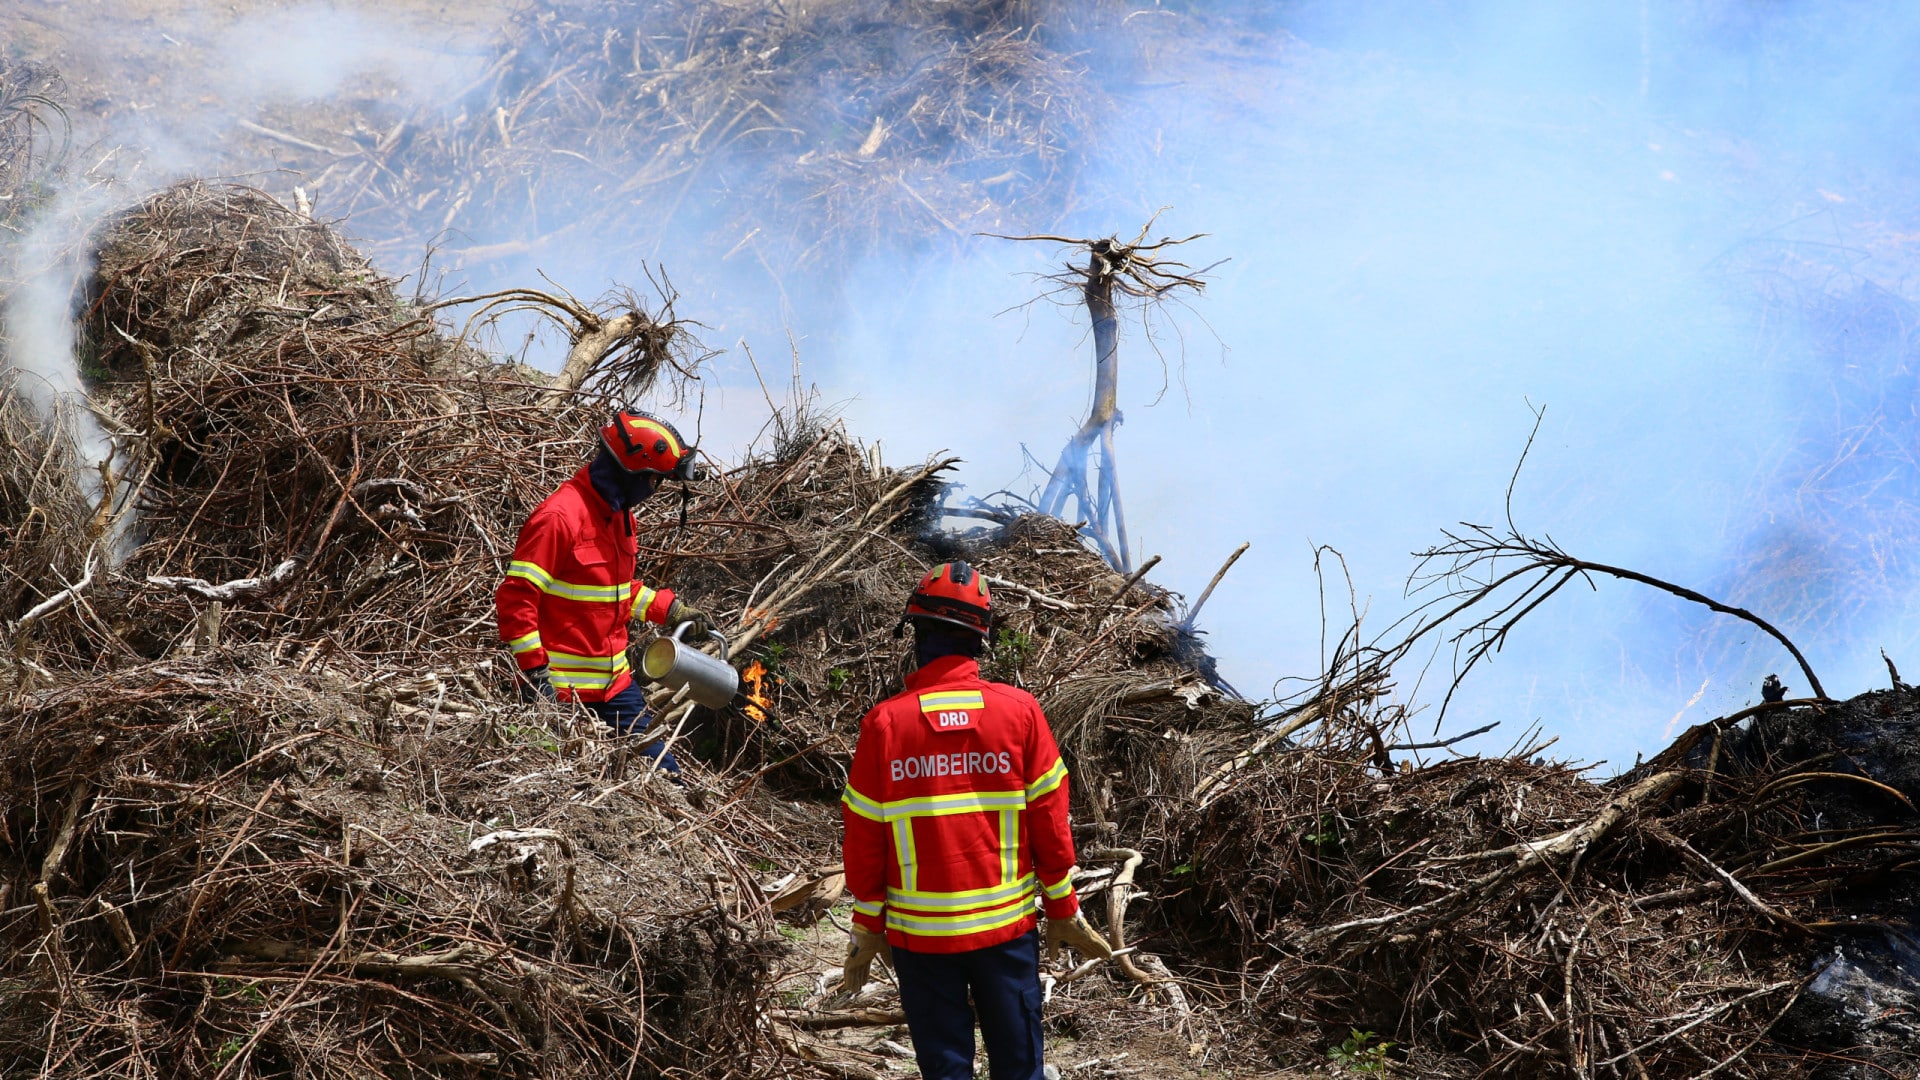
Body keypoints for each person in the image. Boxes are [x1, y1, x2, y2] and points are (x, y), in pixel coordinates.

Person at [839, 561, 1113, 1080]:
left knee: (946, 1071)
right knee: (1020, 1067)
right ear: (980, 640)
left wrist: (868, 927)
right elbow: (1050, 824)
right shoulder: (1021, 713)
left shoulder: (884, 726)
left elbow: (865, 840)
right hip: (1006, 932)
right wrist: (1062, 907)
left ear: (915, 631)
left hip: (920, 939)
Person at [495, 410, 712, 772]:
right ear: (631, 474)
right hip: (560, 693)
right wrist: (536, 675)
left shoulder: (620, 515)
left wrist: (669, 610)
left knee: (667, 778)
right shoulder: (559, 518)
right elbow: (517, 599)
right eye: (654, 481)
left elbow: (613, 590)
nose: (655, 490)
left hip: (615, 687)